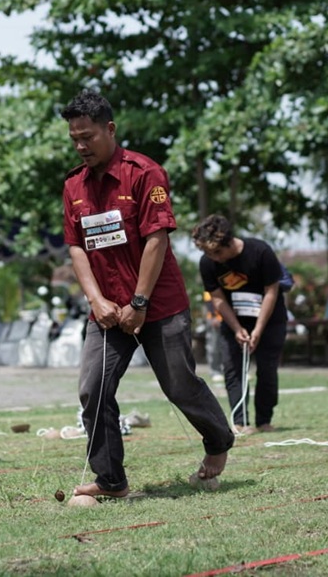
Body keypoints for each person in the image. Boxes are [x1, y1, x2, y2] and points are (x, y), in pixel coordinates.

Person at [61, 90, 234, 497]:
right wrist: (96, 301)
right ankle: (111, 481)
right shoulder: (73, 186)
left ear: (110, 129)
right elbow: (75, 246)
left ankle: (218, 440)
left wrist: (139, 302)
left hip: (158, 304)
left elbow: (156, 239)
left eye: (88, 136)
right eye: (74, 139)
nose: (81, 146)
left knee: (178, 385)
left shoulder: (144, 173)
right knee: (93, 388)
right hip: (106, 311)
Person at [192, 215, 288, 436]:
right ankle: (241, 421)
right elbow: (217, 298)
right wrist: (236, 328)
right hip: (234, 319)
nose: (213, 258)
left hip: (270, 320)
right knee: (233, 369)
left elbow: (271, 292)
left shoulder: (261, 251)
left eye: (217, 253)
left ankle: (264, 420)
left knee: (267, 369)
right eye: (207, 253)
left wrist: (258, 330)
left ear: (229, 242)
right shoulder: (208, 262)